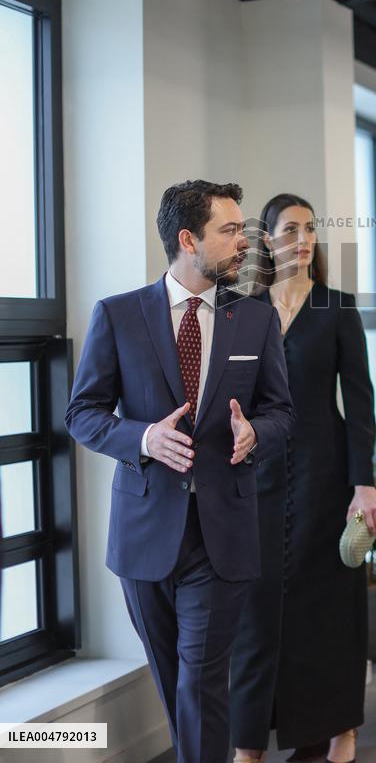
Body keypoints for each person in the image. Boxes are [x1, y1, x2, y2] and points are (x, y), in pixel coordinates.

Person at [66, 180, 294, 763]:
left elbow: (281, 413)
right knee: (174, 683)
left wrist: (255, 433)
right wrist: (143, 436)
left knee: (200, 682)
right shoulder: (118, 315)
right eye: (230, 230)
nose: (244, 241)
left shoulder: (256, 320)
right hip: (144, 536)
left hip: (223, 536)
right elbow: (83, 414)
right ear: (188, 240)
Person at [230, 193, 376, 763]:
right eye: (290, 229)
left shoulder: (337, 308)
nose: (302, 238)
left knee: (330, 610)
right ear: (266, 240)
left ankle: (340, 730)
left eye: (310, 229)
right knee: (258, 613)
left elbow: (360, 401)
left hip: (327, 470)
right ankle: (250, 743)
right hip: (259, 472)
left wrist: (363, 481)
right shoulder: (241, 310)